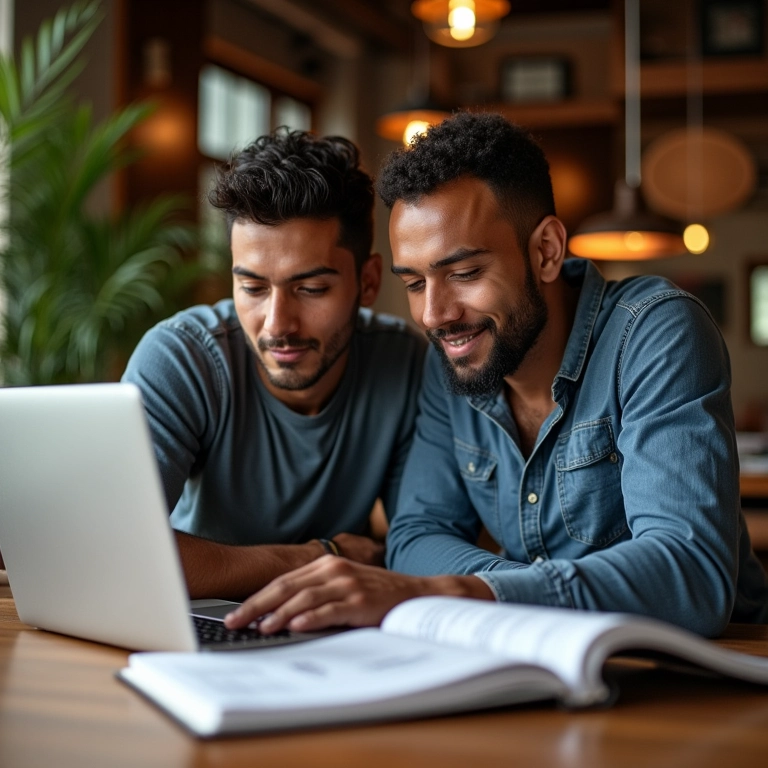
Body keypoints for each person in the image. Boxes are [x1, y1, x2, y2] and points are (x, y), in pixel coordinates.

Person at [225, 112, 768, 637]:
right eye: (414, 283)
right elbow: (416, 535)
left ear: (546, 251)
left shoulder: (654, 331)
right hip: (553, 662)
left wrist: (472, 595)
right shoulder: (453, 359)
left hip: (712, 673)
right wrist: (511, 596)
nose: (435, 315)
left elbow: (690, 575)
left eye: (463, 273)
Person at [122, 129, 426, 600]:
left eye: (311, 289)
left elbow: (415, 541)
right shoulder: (183, 357)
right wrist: (316, 556)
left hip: (330, 628)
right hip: (196, 623)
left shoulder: (404, 362)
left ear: (367, 283)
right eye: (253, 288)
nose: (277, 324)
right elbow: (123, 551)